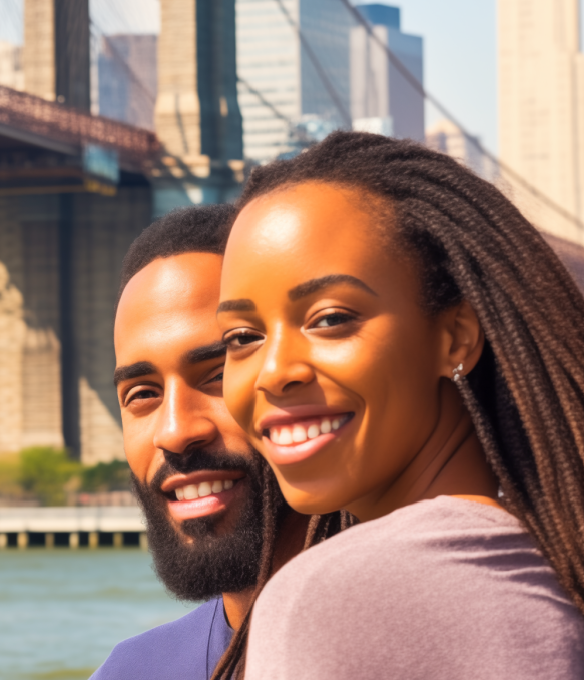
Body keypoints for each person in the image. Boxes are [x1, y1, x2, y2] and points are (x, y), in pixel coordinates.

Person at [217, 131, 584, 679]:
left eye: (331, 319)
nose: (274, 373)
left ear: (454, 337)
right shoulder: (555, 561)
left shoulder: (329, 598)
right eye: (243, 337)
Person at [93, 205, 317, 680]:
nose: (174, 430)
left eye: (217, 375)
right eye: (142, 394)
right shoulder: (131, 673)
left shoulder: (461, 634)